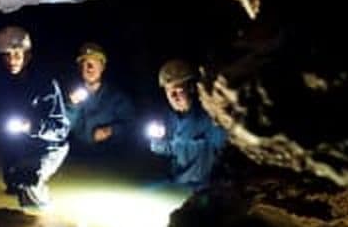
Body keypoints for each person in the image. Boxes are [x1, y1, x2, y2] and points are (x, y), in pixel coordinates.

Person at [0, 26, 69, 208]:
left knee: (28, 184)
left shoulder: (46, 85)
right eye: (7, 55)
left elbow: (61, 130)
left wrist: (32, 126)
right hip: (21, 144)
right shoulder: (3, 83)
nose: (12, 60)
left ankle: (42, 215)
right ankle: (22, 179)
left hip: (49, 146)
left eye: (17, 55)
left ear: (27, 56)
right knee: (13, 184)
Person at [147, 59, 227, 189]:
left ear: (191, 88)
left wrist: (169, 146)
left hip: (202, 188)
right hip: (176, 183)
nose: (173, 96)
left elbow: (216, 151)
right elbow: (167, 151)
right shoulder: (169, 118)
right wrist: (157, 141)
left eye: (178, 91)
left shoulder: (210, 117)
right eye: (169, 92)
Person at [66, 42, 135, 158]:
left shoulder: (117, 97)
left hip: (112, 156)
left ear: (102, 67)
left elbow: (131, 124)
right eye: (85, 63)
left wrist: (111, 130)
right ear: (80, 68)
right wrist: (72, 105)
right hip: (77, 156)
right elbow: (66, 126)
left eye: (94, 63)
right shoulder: (72, 96)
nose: (89, 68)